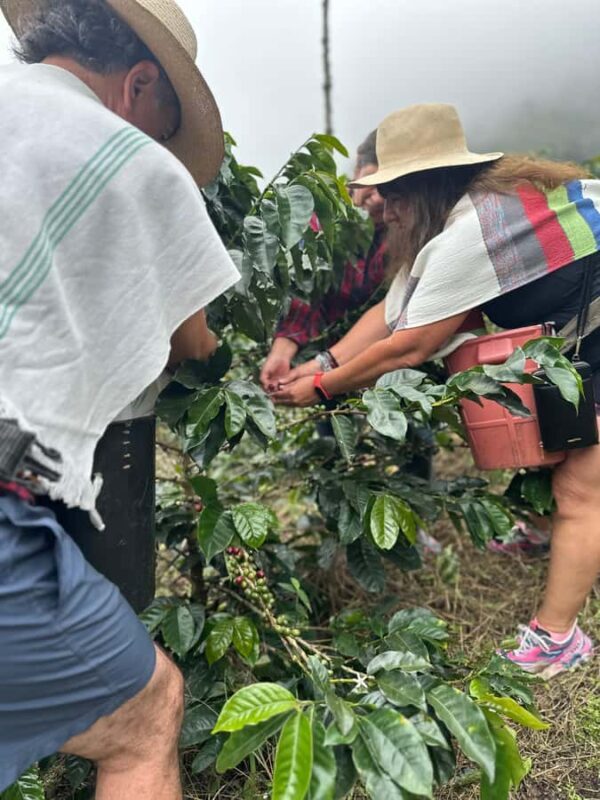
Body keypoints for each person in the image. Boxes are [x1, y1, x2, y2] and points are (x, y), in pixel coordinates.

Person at [0, 1, 240, 797]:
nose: (162, 148)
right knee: (146, 715)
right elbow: (192, 343)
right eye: (164, 127)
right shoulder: (131, 162)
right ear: (139, 83)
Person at [274, 103, 600, 679]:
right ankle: (549, 537)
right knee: (565, 447)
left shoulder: (471, 234)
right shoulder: (467, 219)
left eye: (392, 192)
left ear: (424, 187)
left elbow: (409, 347)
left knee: (582, 485)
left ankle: (558, 638)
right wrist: (320, 361)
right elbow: (393, 312)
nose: (384, 208)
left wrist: (323, 389)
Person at [260, 130, 387, 393]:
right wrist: (282, 353)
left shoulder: (403, 230)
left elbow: (392, 312)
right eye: (372, 182)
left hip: (375, 370)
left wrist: (322, 374)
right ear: (358, 170)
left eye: (387, 188)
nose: (377, 198)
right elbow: (310, 292)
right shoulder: (329, 220)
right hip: (327, 365)